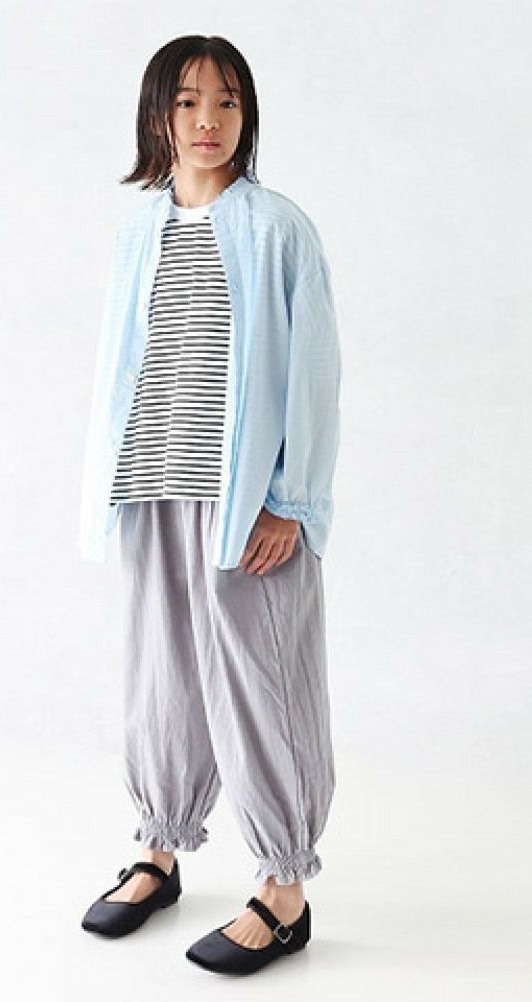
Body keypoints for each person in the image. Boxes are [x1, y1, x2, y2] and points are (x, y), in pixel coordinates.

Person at [77, 34, 342, 976]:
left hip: (245, 505)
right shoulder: (138, 231)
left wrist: (292, 502)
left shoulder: (276, 230)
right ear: (158, 115)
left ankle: (283, 888)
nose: (208, 120)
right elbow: (123, 363)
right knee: (161, 672)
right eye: (188, 102)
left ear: (247, 117)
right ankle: (159, 847)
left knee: (263, 681)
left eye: (227, 101)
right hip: (151, 484)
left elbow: (313, 374)